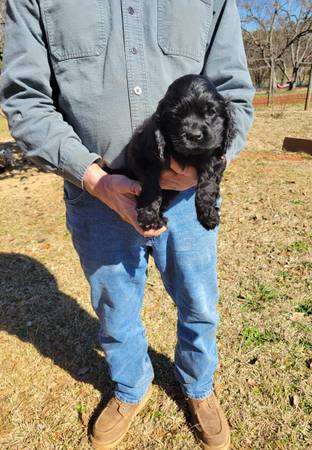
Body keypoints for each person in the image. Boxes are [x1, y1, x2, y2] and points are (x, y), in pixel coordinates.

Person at [0, 1, 254, 448]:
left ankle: (198, 384)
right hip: (94, 193)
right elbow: (26, 99)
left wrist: (200, 173)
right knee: (115, 309)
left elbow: (233, 93)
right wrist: (96, 179)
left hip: (188, 197)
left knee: (199, 304)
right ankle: (131, 387)